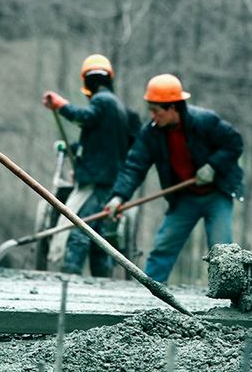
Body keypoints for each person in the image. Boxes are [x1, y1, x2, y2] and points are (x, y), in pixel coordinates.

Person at [105, 74, 244, 283]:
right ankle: (150, 293)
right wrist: (118, 196)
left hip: (217, 195)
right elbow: (135, 165)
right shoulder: (151, 134)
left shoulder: (204, 121)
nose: (152, 116)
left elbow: (234, 143)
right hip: (185, 198)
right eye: (150, 109)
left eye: (156, 111)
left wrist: (213, 166)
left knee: (223, 251)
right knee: (163, 246)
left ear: (173, 108)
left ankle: (227, 295)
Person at [42, 54, 137, 277]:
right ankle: (101, 282)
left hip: (97, 180)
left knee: (80, 229)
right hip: (109, 179)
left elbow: (85, 117)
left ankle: (69, 278)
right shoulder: (118, 108)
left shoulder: (102, 102)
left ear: (86, 82)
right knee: (99, 236)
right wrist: (74, 150)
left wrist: (61, 105)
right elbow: (100, 141)